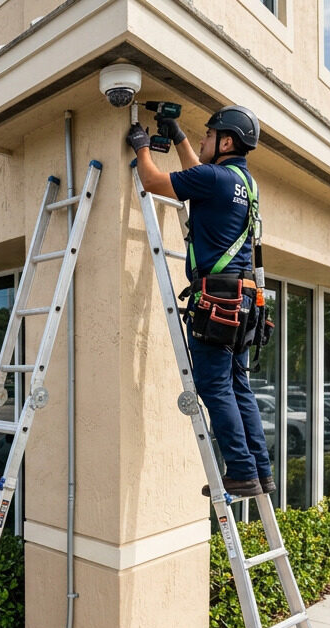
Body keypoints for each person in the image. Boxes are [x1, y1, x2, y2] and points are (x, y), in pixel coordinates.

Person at [129, 105, 275, 498]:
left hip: (219, 299)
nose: (201, 140)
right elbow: (199, 172)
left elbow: (154, 181)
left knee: (214, 386)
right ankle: (259, 471)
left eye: (207, 136)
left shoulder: (214, 178)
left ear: (226, 141)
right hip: (244, 300)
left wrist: (142, 147)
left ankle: (241, 471)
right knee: (238, 384)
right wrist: (176, 136)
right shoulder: (243, 181)